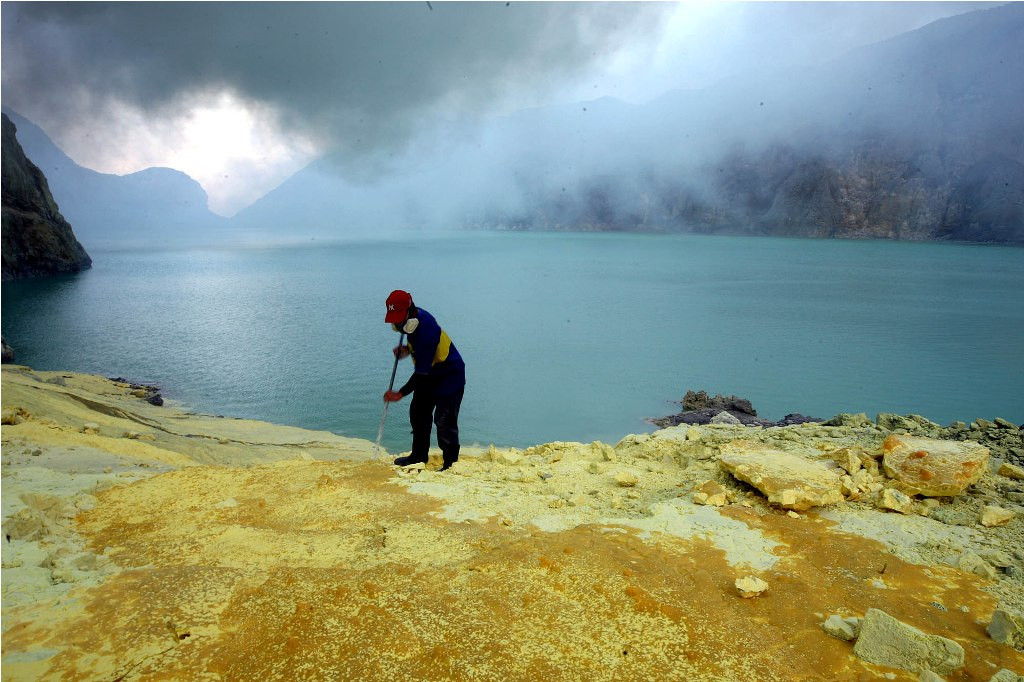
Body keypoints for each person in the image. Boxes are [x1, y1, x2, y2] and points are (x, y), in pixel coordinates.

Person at [382, 290, 465, 471]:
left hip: (449, 375)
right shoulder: (411, 322)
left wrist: (400, 393)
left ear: (409, 310)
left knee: (444, 421)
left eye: (399, 320)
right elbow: (421, 351)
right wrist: (408, 349)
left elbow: (421, 373)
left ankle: (451, 464)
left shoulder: (426, 328)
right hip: (430, 374)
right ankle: (418, 456)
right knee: (418, 413)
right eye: (394, 320)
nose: (397, 324)